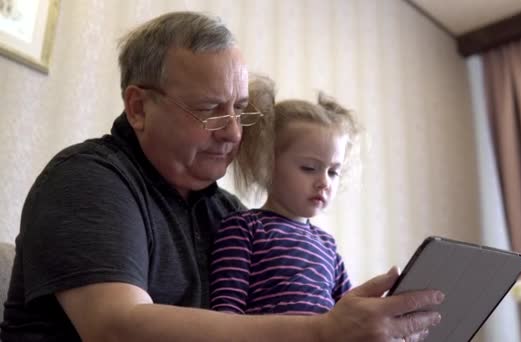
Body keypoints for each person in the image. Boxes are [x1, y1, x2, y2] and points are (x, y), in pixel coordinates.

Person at [0, 11, 443, 342]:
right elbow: (116, 327)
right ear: (138, 108)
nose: (234, 132)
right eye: (211, 110)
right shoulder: (90, 179)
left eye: (240, 109)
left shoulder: (227, 213)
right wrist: (321, 332)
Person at [210, 77, 356, 314]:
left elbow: (352, 313)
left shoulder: (327, 246)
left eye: (333, 172)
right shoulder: (245, 229)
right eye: (309, 168)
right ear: (267, 163)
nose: (324, 182)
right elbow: (226, 312)